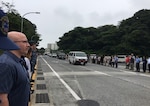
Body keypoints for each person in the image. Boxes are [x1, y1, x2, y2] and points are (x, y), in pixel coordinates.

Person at [0, 30, 30, 106]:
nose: (28, 45)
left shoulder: (18, 61)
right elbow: (2, 99)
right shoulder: (5, 64)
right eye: (24, 42)